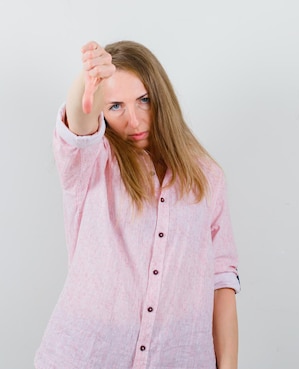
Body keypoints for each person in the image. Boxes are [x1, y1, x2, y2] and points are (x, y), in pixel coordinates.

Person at [34, 40, 240, 369]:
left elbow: (222, 278)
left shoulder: (207, 178)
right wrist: (86, 78)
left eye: (144, 100)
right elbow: (78, 127)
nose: (134, 120)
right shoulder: (92, 163)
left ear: (161, 97)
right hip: (87, 358)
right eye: (115, 106)